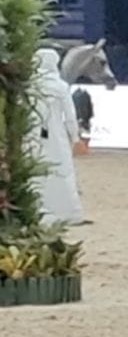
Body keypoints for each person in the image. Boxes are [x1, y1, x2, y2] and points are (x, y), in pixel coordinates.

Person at [26, 49, 85, 227]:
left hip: (32, 134)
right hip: (56, 135)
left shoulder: (29, 85)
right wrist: (75, 137)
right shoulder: (60, 86)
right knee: (62, 169)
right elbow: (70, 116)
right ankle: (67, 211)